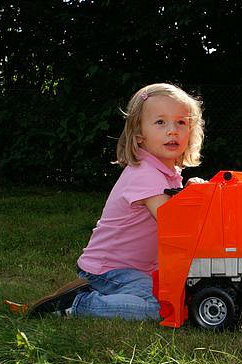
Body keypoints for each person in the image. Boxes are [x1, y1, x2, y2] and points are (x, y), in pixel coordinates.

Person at [27, 83, 205, 320]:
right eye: (160, 122)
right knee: (162, 307)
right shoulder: (145, 174)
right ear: (139, 134)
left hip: (137, 270)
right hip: (108, 270)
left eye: (181, 122)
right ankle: (78, 304)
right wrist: (198, 198)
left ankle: (97, 295)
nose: (172, 130)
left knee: (185, 296)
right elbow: (172, 222)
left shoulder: (166, 172)